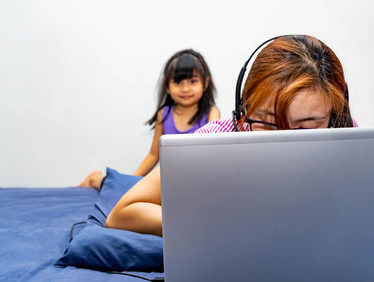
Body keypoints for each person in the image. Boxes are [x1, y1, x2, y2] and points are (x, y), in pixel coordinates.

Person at [99, 35, 355, 236]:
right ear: (243, 109)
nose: (284, 142)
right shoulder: (212, 140)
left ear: (335, 116)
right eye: (267, 122)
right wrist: (212, 227)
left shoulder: (350, 136)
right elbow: (122, 214)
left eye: (304, 128)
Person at [79, 49, 220, 188]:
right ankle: (95, 180)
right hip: (168, 179)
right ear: (167, 87)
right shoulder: (163, 114)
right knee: (127, 191)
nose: (185, 89)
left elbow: (212, 155)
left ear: (205, 83)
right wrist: (132, 181)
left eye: (192, 81)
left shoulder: (212, 113)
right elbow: (154, 155)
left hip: (197, 179)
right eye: (178, 82)